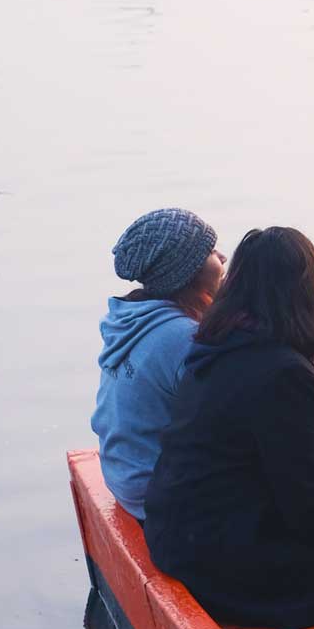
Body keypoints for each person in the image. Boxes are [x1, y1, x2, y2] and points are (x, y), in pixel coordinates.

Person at [142, 227, 314, 629]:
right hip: (225, 566)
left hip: (182, 536)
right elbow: (310, 513)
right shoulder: (283, 373)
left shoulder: (216, 344)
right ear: (304, 290)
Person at [93, 208, 224, 518]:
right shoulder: (184, 338)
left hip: (126, 477)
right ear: (187, 272)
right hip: (158, 494)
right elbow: (230, 426)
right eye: (209, 251)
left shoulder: (131, 316)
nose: (222, 256)